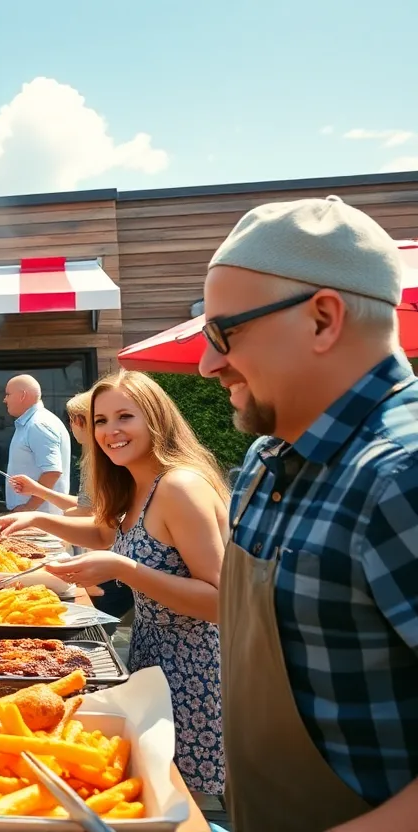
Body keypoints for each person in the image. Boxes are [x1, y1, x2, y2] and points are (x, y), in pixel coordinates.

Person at [198, 194, 418, 832]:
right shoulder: (268, 458)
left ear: (323, 318)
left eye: (223, 333)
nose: (209, 363)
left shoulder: (400, 476)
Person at [0, 370, 229, 799]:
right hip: (152, 659)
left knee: (179, 802)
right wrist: (38, 517)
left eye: (125, 417)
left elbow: (221, 603)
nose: (110, 431)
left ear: (155, 418)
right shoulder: (138, 484)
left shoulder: (179, 487)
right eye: (101, 421)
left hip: (197, 674)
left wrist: (123, 569)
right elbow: (106, 535)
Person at [11, 389, 134, 623]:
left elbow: (90, 514)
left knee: (100, 622)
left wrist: (45, 519)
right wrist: (37, 491)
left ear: (77, 421)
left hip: (107, 568)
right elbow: (86, 506)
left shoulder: (102, 459)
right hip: (107, 563)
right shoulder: (97, 456)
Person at [3, 375, 70, 514]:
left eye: (8, 394)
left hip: (40, 520)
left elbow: (52, 472)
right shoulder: (34, 423)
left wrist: (28, 508)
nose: (4, 400)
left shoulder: (38, 425)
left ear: (22, 396)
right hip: (36, 518)